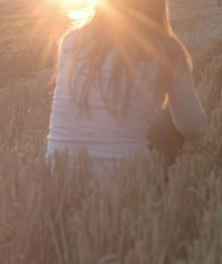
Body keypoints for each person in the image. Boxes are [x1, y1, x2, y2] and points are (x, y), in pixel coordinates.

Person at [45, 0, 208, 175]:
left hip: (58, 179)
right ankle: (165, 190)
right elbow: (193, 127)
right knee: (165, 119)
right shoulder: (168, 51)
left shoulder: (71, 41)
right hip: (123, 182)